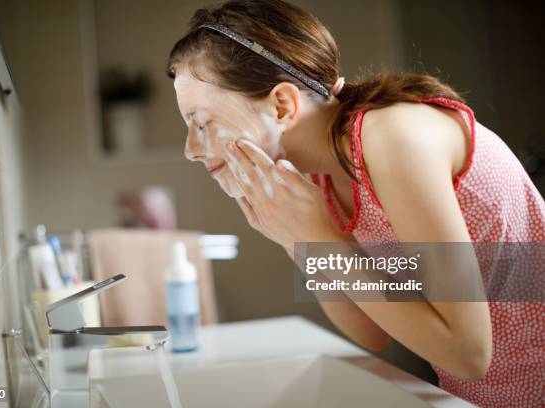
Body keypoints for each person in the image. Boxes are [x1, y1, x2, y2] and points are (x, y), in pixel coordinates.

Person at [166, 0, 544, 406]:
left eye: (201, 122)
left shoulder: (395, 140)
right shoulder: (316, 175)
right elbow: (371, 332)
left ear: (282, 106)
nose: (190, 150)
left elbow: (469, 354)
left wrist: (318, 238)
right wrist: (297, 240)